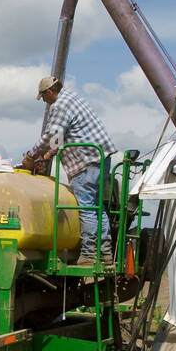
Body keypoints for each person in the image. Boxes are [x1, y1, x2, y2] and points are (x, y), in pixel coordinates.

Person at [22, 76, 115, 267]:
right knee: (98, 207)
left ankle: (89, 255)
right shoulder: (73, 98)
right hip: (101, 158)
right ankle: (105, 254)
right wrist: (47, 156)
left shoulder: (60, 105)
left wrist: (31, 155)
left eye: (43, 97)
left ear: (49, 92)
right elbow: (62, 137)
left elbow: (51, 135)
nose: (45, 103)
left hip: (85, 161)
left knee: (86, 207)